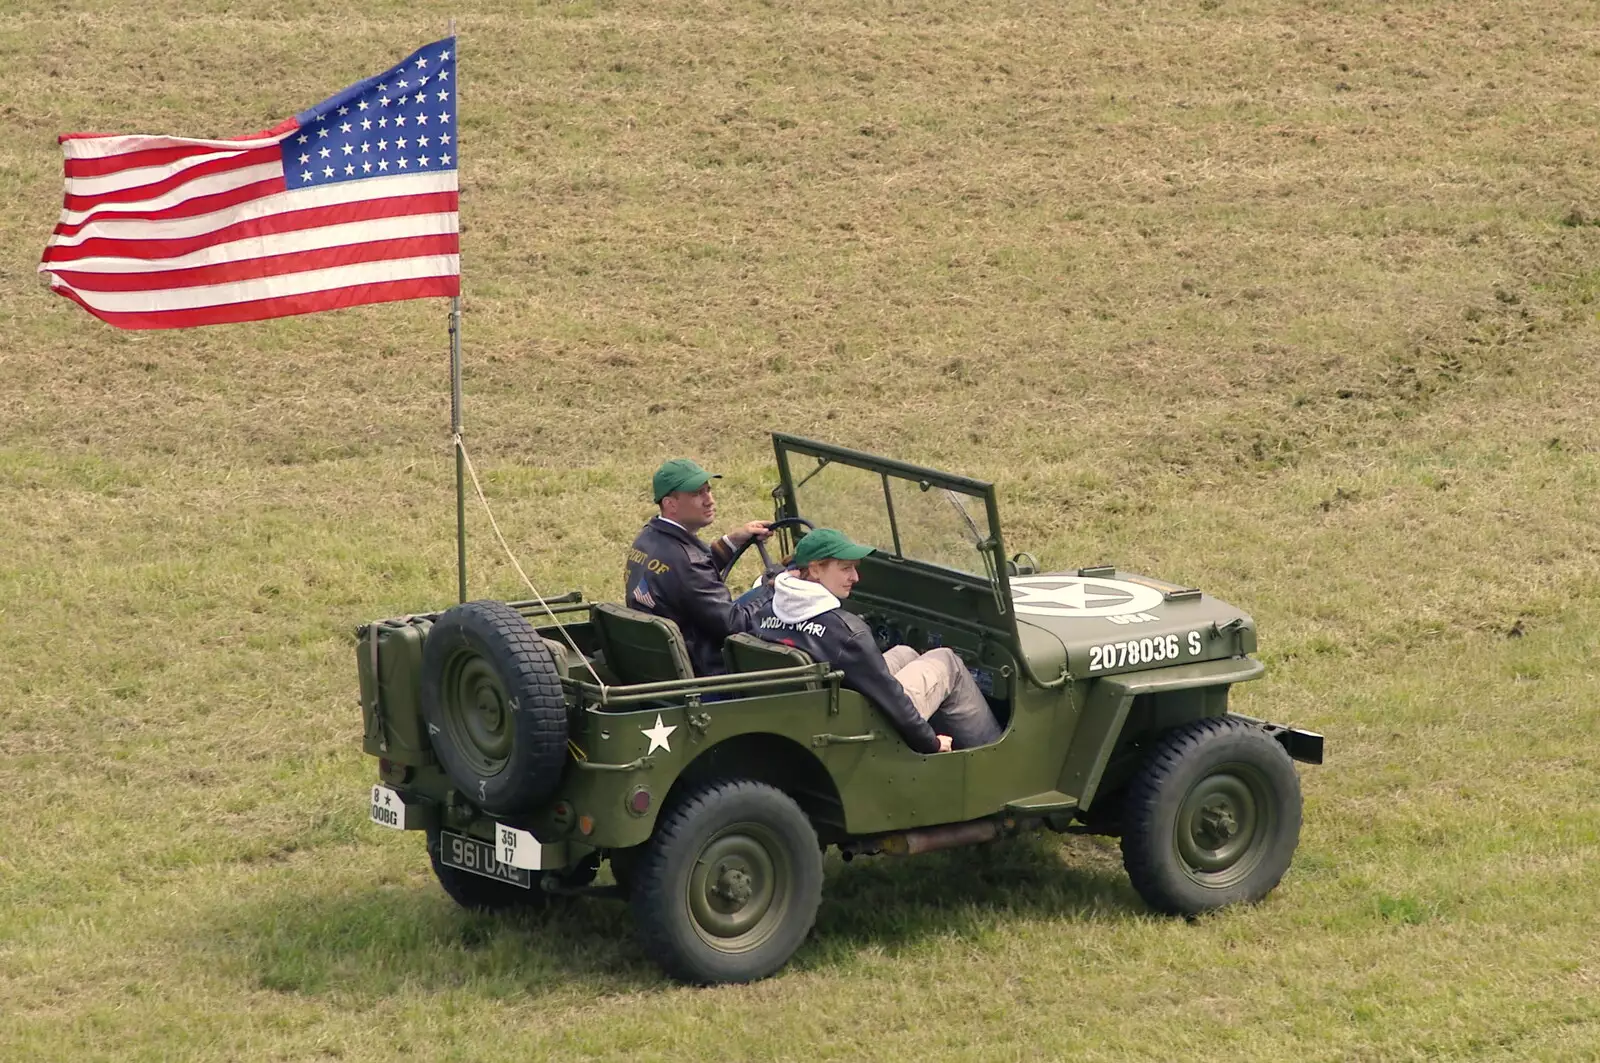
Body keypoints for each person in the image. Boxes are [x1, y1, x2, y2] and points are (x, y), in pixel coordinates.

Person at [750, 528, 1004, 754]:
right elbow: (893, 700)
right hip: (862, 721)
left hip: (814, 709)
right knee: (947, 661)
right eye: (845, 568)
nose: (855, 577)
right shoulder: (847, 632)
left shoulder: (767, 611)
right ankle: (993, 757)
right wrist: (932, 743)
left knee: (905, 652)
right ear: (815, 569)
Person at [624, 458, 773, 676]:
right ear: (670, 504)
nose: (709, 500)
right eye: (697, 494)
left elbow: (687, 578)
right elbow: (735, 624)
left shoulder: (648, 539)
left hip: (664, 661)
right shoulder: (687, 562)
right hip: (704, 670)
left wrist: (730, 543)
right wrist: (773, 588)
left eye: (708, 490)